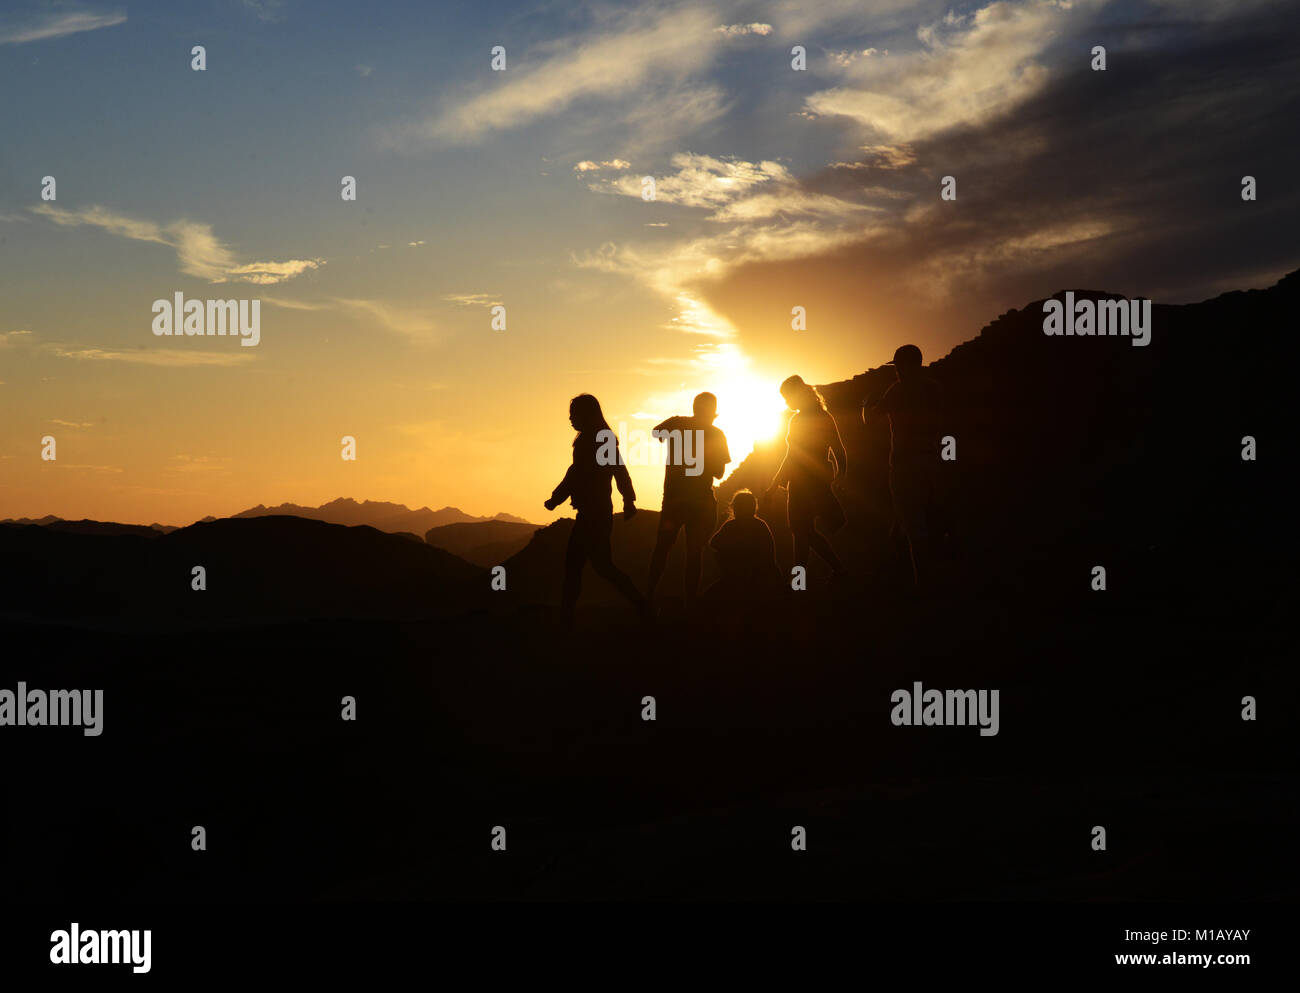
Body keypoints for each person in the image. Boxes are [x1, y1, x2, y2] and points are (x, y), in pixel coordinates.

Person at [544, 394, 649, 627]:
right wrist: (628, 500)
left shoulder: (598, 441)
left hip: (594, 514)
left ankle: (566, 617)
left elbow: (611, 470)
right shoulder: (595, 440)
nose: (570, 418)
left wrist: (556, 498)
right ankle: (641, 605)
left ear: (586, 414)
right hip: (596, 512)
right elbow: (592, 471)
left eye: (574, 413)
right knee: (600, 566)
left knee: (579, 565)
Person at [863, 344, 943, 589]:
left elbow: (871, 422)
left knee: (914, 523)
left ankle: (923, 584)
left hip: (904, 465)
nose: (896, 370)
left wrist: (865, 407)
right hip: (933, 462)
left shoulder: (897, 391)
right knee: (927, 518)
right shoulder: (935, 390)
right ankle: (902, 570)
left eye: (898, 365)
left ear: (905, 366)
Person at [646, 392, 731, 604]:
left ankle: (648, 597)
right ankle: (690, 602)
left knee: (662, 550)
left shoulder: (677, 424)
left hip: (675, 499)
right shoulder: (717, 434)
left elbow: (656, 433)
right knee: (694, 554)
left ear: (694, 408)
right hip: (701, 502)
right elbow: (719, 473)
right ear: (713, 411)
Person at [766, 375, 847, 579]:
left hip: (808, 484)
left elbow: (836, 449)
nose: (786, 402)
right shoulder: (810, 417)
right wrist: (775, 484)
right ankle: (834, 571)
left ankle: (801, 582)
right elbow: (793, 456)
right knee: (803, 532)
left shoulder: (815, 418)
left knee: (801, 533)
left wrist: (840, 476)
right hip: (805, 482)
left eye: (787, 397)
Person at [707, 489, 780, 600]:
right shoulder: (758, 524)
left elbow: (714, 543)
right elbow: (714, 543)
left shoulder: (736, 525)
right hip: (756, 574)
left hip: (757, 574)